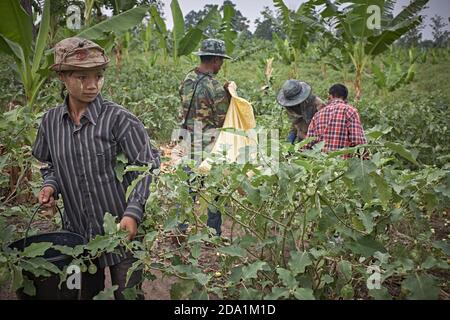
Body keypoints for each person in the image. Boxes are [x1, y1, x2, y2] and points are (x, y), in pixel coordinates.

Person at [32, 37, 160, 299]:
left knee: (128, 294)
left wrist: (133, 213)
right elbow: (50, 164)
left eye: (98, 76)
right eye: (81, 77)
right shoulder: (51, 122)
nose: (92, 85)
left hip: (122, 232)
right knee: (84, 294)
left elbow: (146, 166)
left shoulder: (120, 120)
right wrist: (50, 184)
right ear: (63, 78)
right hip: (77, 235)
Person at [177, 38, 232, 237]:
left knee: (188, 187)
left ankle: (179, 230)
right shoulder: (215, 87)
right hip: (209, 145)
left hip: (187, 140)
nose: (221, 65)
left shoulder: (187, 78)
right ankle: (213, 234)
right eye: (221, 61)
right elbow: (223, 119)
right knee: (215, 190)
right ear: (216, 60)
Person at [304, 83, 367, 155]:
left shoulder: (318, 114)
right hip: (342, 163)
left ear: (330, 96)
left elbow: (309, 142)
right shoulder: (350, 111)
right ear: (345, 98)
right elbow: (358, 141)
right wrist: (366, 157)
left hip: (321, 162)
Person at [276, 80, 325, 144]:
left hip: (319, 138)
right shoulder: (289, 107)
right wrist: (290, 141)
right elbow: (295, 124)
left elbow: (325, 123)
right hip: (303, 137)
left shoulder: (317, 104)